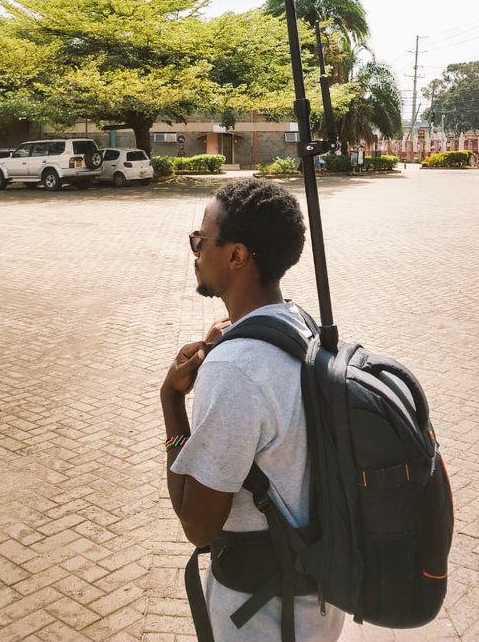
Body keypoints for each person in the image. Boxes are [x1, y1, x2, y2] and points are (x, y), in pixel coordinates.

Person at [160, 178, 345, 642]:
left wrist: (171, 403)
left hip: (267, 617)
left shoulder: (235, 368)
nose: (195, 251)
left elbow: (198, 527)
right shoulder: (299, 323)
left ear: (237, 256)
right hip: (317, 595)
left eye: (200, 240)